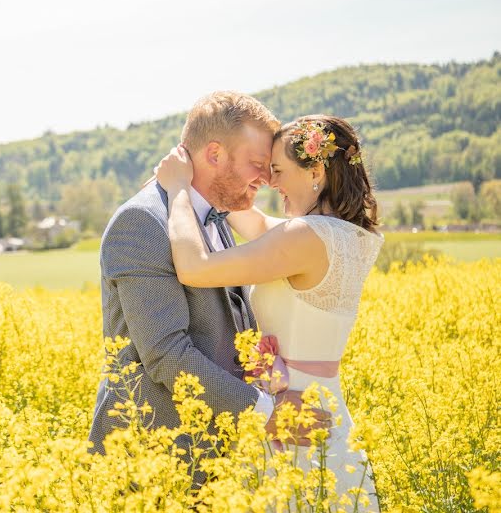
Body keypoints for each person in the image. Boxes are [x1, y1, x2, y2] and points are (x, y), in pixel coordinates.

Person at [87, 92, 331, 483]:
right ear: (214, 154)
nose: (268, 179)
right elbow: (167, 353)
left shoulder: (216, 217)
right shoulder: (142, 221)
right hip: (153, 457)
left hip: (215, 456)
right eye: (257, 164)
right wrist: (266, 412)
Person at [154, 114, 382, 503]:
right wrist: (207, 177)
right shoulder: (351, 234)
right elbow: (257, 223)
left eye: (277, 170)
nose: (271, 183)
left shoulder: (305, 236)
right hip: (322, 405)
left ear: (316, 171)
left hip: (291, 418)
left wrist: (177, 189)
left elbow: (195, 268)